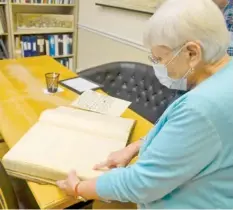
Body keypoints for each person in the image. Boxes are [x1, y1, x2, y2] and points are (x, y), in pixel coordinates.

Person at [57, 0, 233, 208]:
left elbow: (141, 184)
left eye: (159, 58)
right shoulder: (224, 78)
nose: (157, 66)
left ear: (192, 53)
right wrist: (134, 147)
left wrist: (78, 189)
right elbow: (187, 139)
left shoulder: (201, 106)